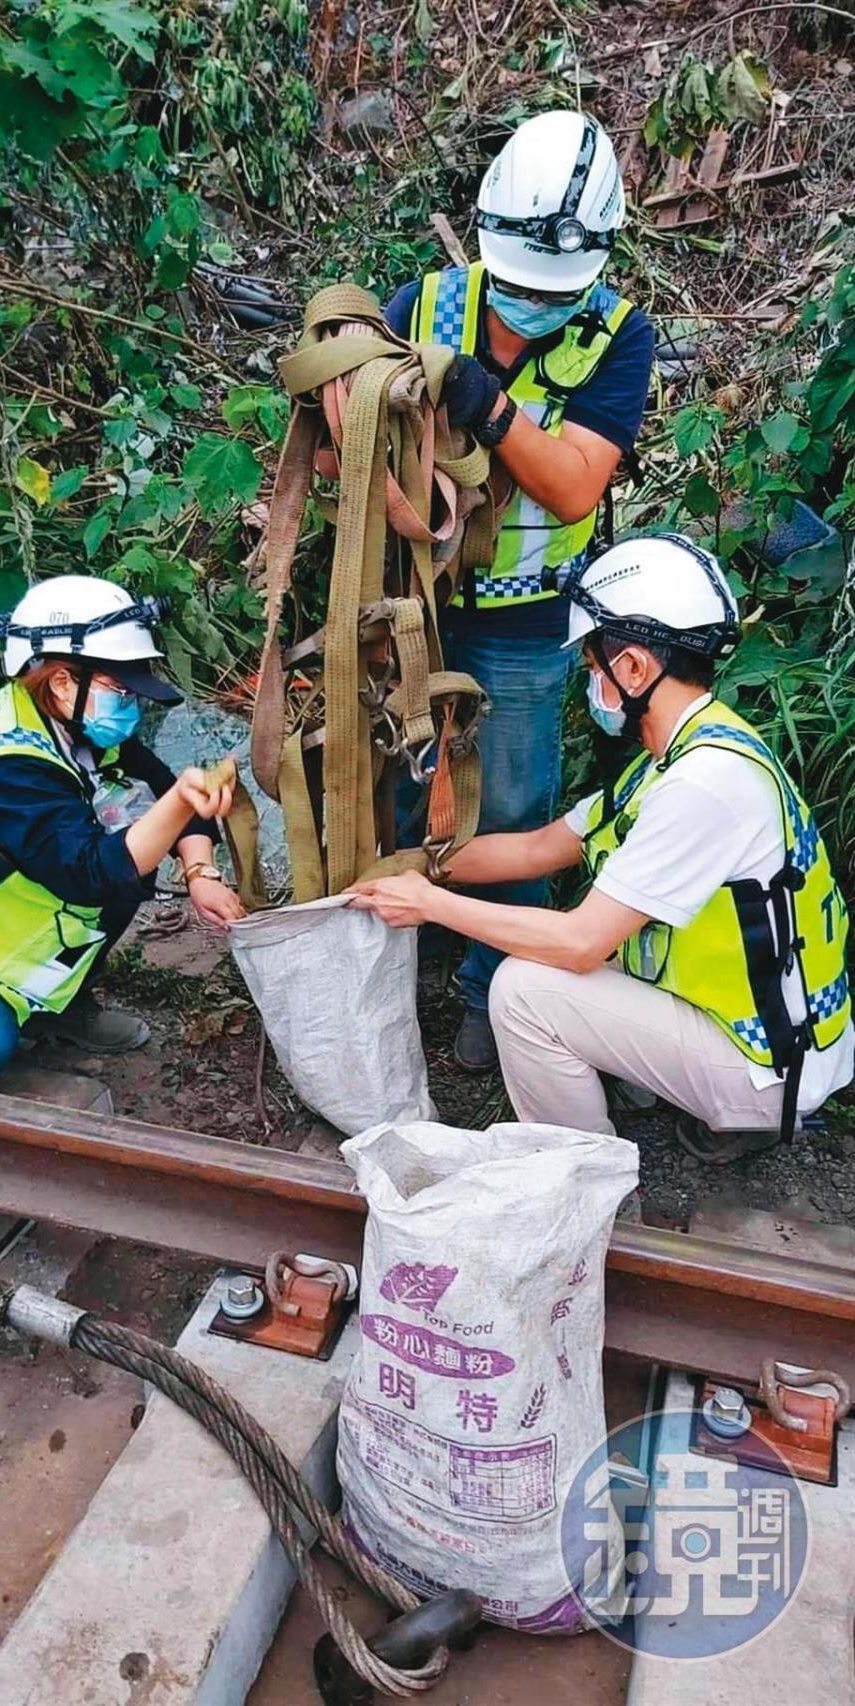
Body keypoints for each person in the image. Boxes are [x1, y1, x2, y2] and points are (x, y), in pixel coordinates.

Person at [353, 535, 854, 1159]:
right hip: (775, 1030)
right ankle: (658, 1091)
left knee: (525, 991)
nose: (591, 685)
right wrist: (407, 869)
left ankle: (583, 1176)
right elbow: (537, 849)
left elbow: (580, 940)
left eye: (594, 669)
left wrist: (431, 905)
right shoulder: (688, 750)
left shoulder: (702, 785)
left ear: (636, 668)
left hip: (769, 1066)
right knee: (558, 966)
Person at [382, 108, 655, 1072]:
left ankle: (490, 989)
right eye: (521, 287)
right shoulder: (421, 304)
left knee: (511, 807)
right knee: (399, 783)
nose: (535, 305)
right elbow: (349, 444)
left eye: (557, 292)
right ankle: (401, 945)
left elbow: (578, 480)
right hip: (411, 602)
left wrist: (488, 409)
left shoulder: (619, 335)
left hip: (529, 620)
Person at [0, 575, 243, 1084]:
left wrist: (200, 872)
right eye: (121, 689)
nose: (133, 704)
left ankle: (59, 1012)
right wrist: (177, 803)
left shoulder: (75, 726)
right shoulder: (7, 763)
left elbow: (165, 792)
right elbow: (90, 872)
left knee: (131, 850)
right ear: (62, 681)